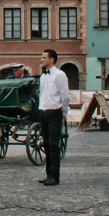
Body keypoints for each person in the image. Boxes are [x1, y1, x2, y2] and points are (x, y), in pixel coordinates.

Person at [37, 49, 69, 186]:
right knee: (46, 144)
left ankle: (55, 176)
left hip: (55, 112)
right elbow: (42, 95)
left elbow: (65, 96)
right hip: (44, 112)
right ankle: (48, 173)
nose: (41, 59)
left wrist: (64, 112)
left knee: (54, 145)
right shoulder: (43, 77)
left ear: (52, 60)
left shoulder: (60, 75)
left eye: (44, 57)